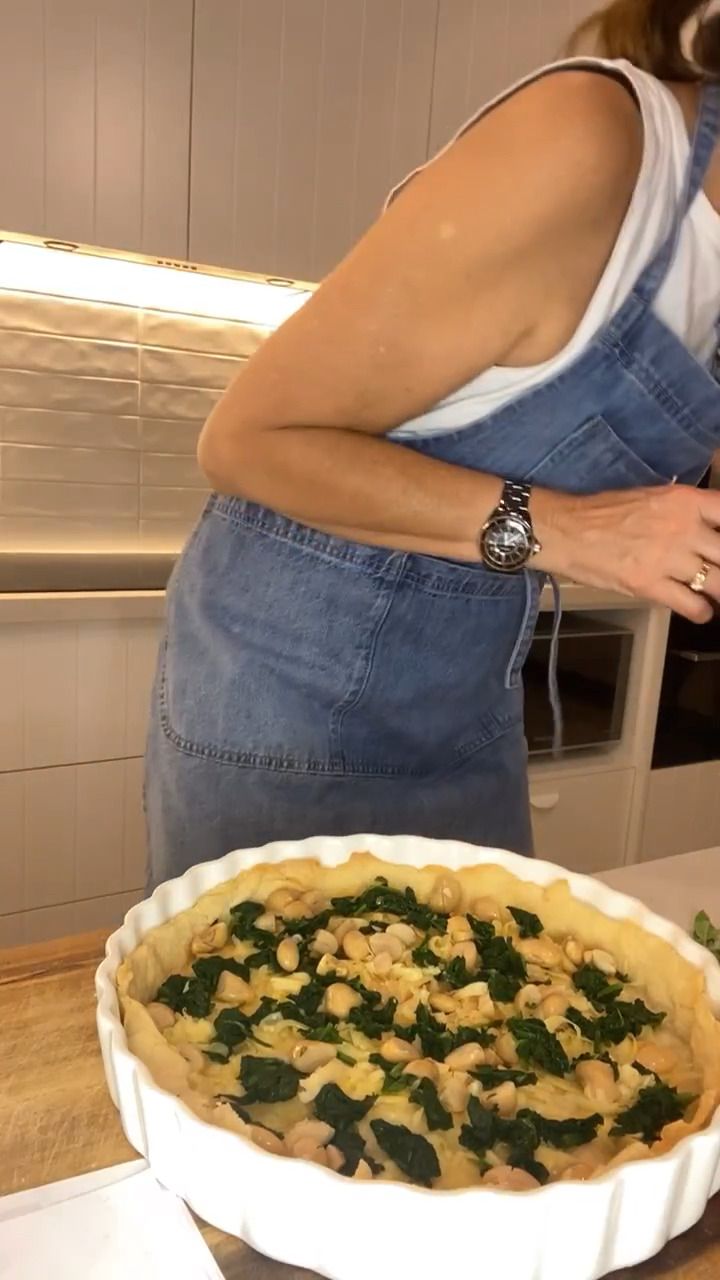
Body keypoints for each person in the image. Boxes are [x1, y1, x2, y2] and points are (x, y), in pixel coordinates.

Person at [146, 0, 720, 889]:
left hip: (467, 697)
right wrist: (575, 531)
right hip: (289, 701)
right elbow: (246, 442)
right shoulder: (587, 142)